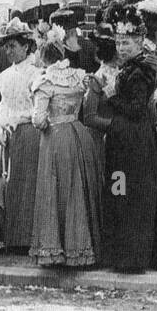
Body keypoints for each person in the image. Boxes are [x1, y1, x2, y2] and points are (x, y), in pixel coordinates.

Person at [86, 53, 157, 274]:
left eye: (128, 41)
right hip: (120, 144)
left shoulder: (141, 75)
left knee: (133, 197)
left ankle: (132, 257)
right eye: (120, 41)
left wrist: (111, 96)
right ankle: (118, 254)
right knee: (118, 193)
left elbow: (137, 109)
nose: (122, 47)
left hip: (135, 146)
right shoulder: (130, 71)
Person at [29, 40, 103, 267]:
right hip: (79, 134)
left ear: (43, 56)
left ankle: (59, 248)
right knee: (78, 189)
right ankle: (81, 247)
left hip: (56, 138)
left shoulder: (44, 81)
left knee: (55, 190)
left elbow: (39, 120)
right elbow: (97, 89)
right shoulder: (79, 75)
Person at [0, 18, 42, 253]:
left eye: (13, 46)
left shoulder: (37, 73)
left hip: (29, 134)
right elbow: (3, 108)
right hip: (8, 136)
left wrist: (19, 119)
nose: (9, 51)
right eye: (6, 47)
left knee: (27, 186)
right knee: (4, 185)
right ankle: (11, 237)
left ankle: (27, 237)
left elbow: (38, 108)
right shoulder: (6, 76)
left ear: (26, 46)